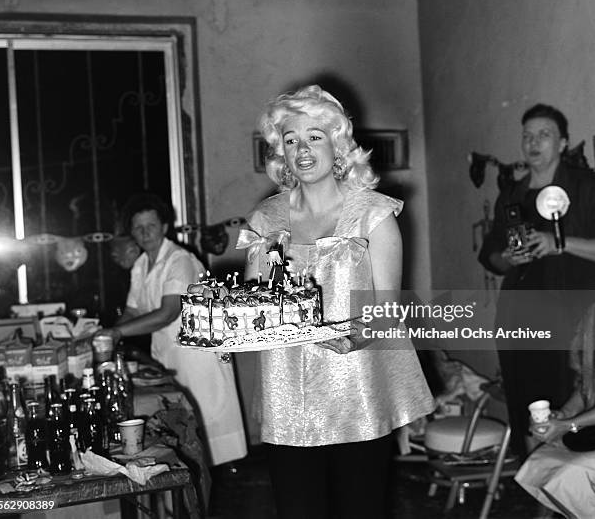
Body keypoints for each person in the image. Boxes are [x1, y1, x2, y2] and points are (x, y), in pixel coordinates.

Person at [240, 85, 434, 519]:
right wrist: (225, 330)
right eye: (290, 140)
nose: (302, 150)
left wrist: (353, 337)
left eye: (315, 136)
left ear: (338, 145)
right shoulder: (265, 219)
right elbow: (253, 308)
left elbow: (384, 311)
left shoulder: (373, 215)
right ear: (280, 153)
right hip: (286, 394)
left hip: (356, 393)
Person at [479, 104, 595, 460]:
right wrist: (507, 258)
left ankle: (571, 497)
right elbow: (491, 255)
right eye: (527, 135)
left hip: (574, 320)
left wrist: (557, 243)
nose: (533, 142)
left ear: (562, 142)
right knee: (528, 405)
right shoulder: (512, 195)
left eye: (544, 135)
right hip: (519, 319)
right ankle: (538, 488)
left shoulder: (588, 187)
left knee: (569, 405)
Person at [96, 193, 247, 466]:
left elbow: (168, 312)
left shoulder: (179, 260)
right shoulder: (142, 265)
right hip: (168, 352)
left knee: (206, 424)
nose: (145, 233)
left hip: (197, 356)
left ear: (164, 227)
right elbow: (133, 309)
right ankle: (196, 487)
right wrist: (107, 335)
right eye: (138, 227)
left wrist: (117, 334)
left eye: (151, 225)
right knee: (182, 426)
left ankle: (219, 488)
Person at [515, 299, 595, 518]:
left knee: (572, 473)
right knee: (540, 459)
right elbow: (586, 386)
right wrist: (564, 415)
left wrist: (567, 424)